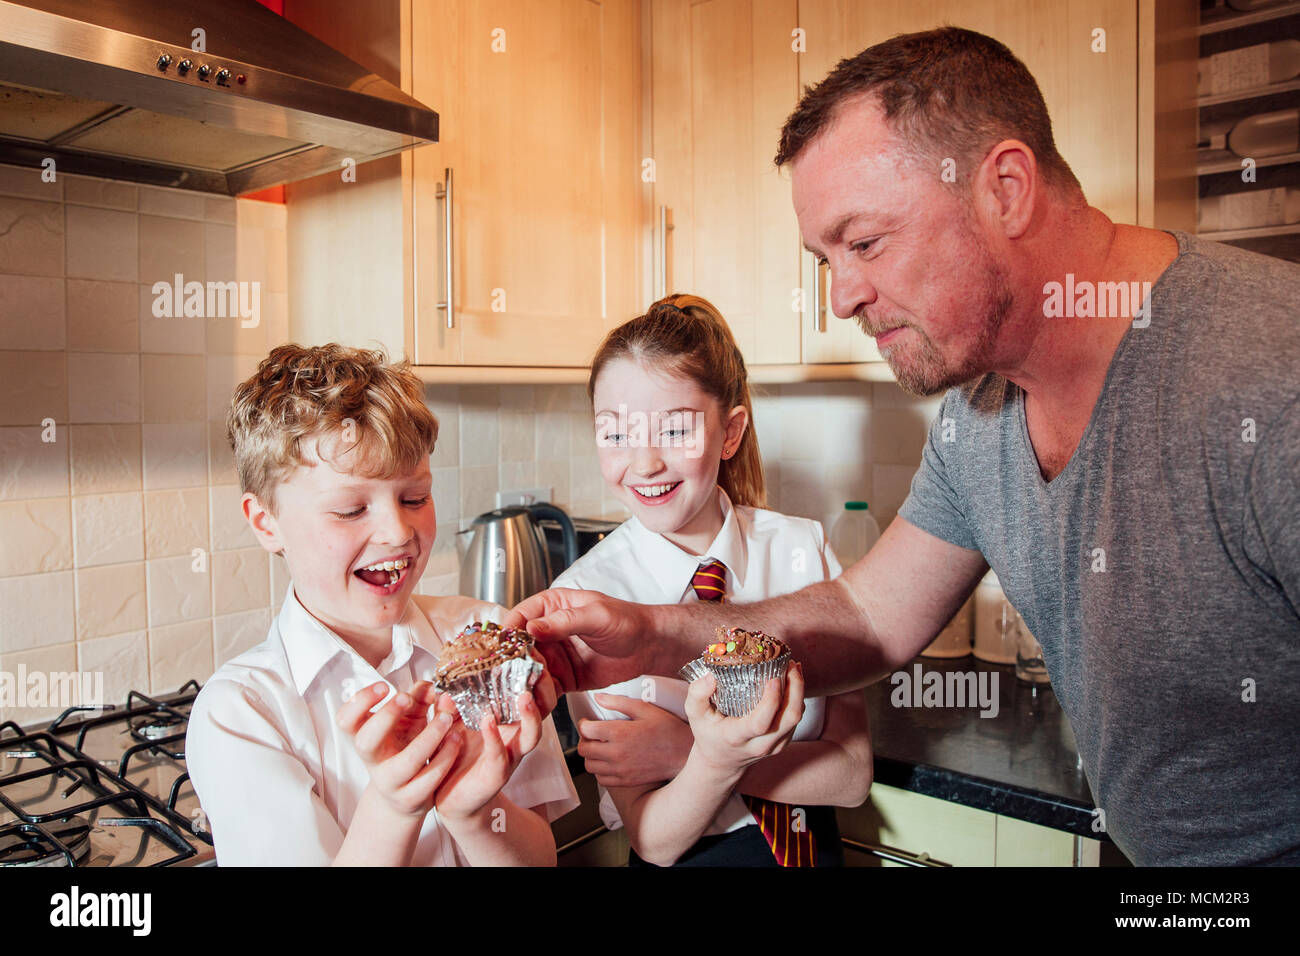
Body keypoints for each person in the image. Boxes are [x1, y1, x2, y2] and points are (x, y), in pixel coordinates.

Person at [508, 27, 1300, 866]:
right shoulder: (980, 413)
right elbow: (868, 620)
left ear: (1005, 188)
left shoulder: (1263, 375)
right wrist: (649, 630)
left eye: (866, 242)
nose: (842, 295)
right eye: (824, 258)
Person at [186, 343, 578, 865]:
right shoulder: (241, 714)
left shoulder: (485, 640)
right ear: (266, 522)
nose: (398, 531)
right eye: (350, 510)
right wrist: (394, 809)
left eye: (414, 498)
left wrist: (474, 815)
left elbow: (541, 859)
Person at [554, 294, 872, 867]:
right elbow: (655, 838)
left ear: (730, 433)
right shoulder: (589, 602)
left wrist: (687, 754)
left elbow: (850, 777)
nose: (644, 463)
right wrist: (726, 762)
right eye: (616, 433)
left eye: (675, 431)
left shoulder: (803, 551)